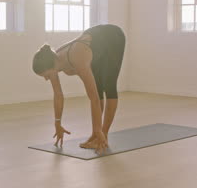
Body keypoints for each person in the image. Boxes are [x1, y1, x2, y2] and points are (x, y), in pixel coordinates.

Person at [32, 24, 126, 154]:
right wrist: (57, 123)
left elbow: (93, 98)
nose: (47, 79)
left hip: (112, 37)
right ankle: (95, 137)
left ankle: (103, 134)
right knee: (98, 88)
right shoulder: (54, 61)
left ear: (51, 66)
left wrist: (99, 129)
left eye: (47, 75)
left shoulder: (77, 57)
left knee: (109, 85)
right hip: (95, 45)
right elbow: (58, 95)